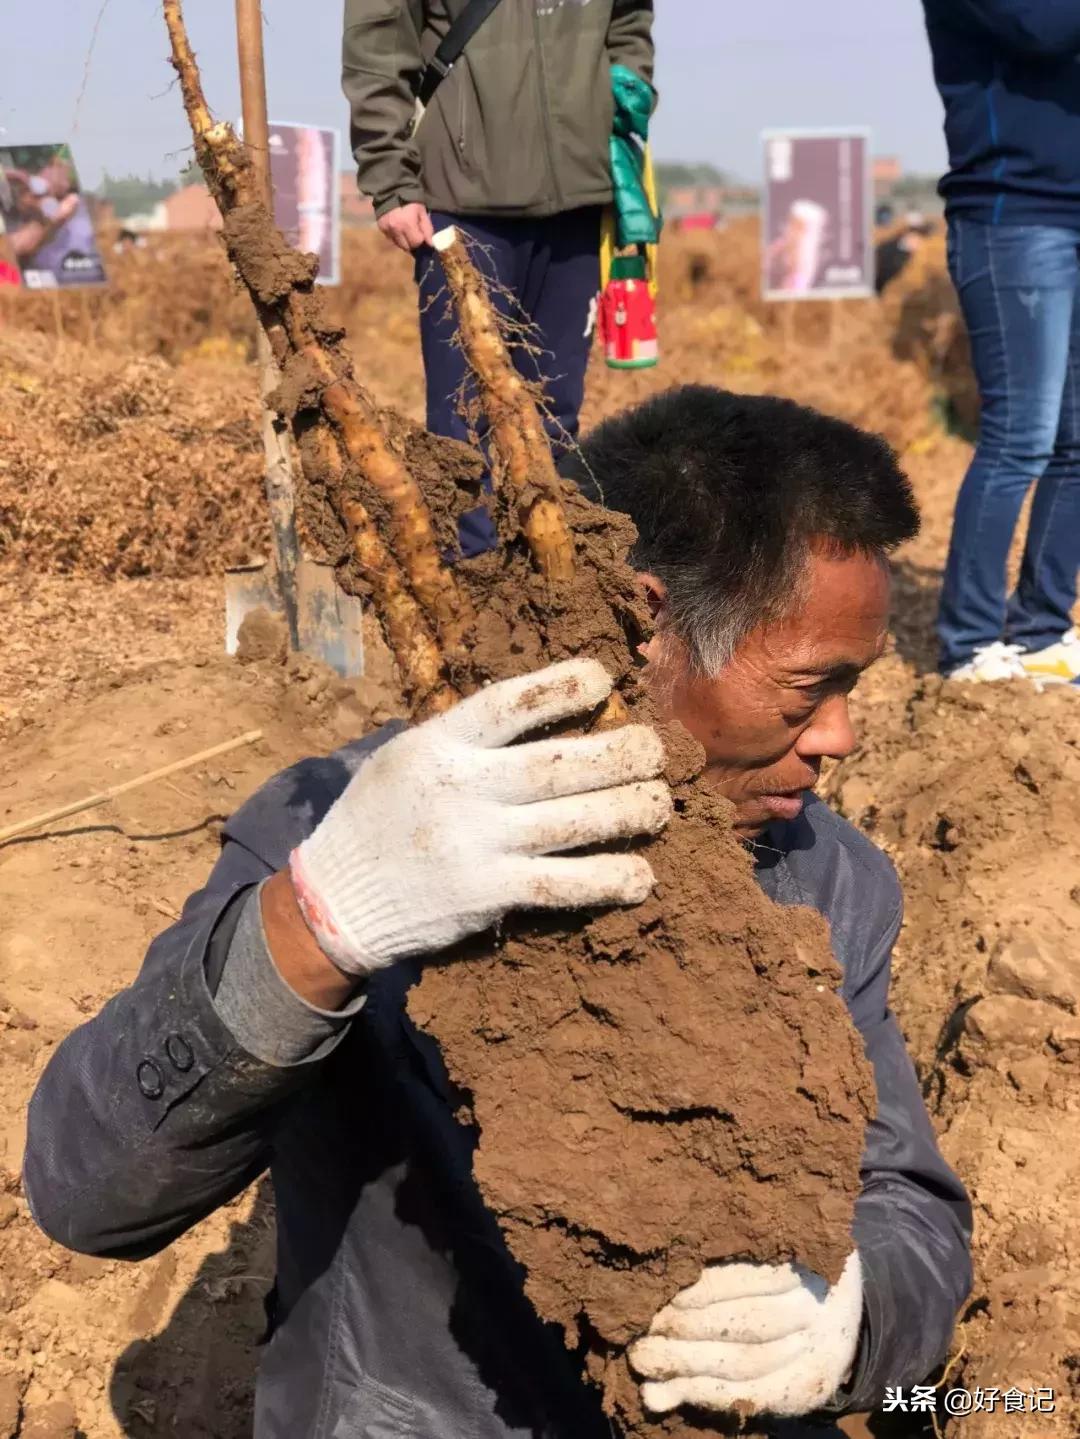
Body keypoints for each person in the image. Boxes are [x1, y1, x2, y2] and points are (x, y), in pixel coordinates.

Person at [24, 387, 971, 1438]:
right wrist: (312, 928)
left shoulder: (826, 875)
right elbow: (89, 1188)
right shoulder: (371, 837)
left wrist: (851, 1322)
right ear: (642, 623)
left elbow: (909, 1203)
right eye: (806, 690)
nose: (839, 735)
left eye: (856, 687)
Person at [342, 0, 655, 555]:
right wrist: (390, 180)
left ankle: (549, 582)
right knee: (465, 417)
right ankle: (479, 589)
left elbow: (629, 19)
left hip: (578, 201)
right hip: (462, 205)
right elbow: (376, 42)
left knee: (556, 414)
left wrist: (623, 90)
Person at [923, 2, 1080, 684]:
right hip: (1012, 216)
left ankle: (1042, 627)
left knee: (1077, 442)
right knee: (1021, 435)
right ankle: (970, 640)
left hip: (1069, 212)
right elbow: (1043, 30)